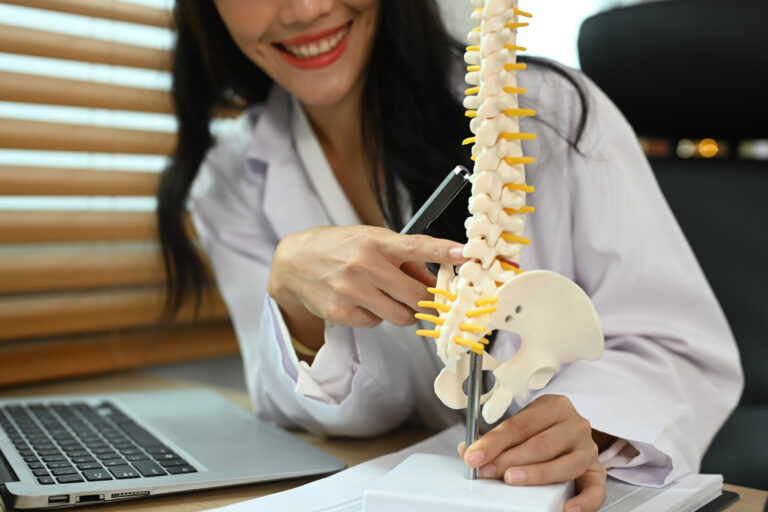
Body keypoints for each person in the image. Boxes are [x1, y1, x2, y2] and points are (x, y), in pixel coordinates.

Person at [156, 1, 743, 511]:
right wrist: (295, 300)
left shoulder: (556, 112)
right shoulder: (228, 182)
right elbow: (336, 414)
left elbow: (681, 348)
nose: (307, 9)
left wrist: (594, 422)